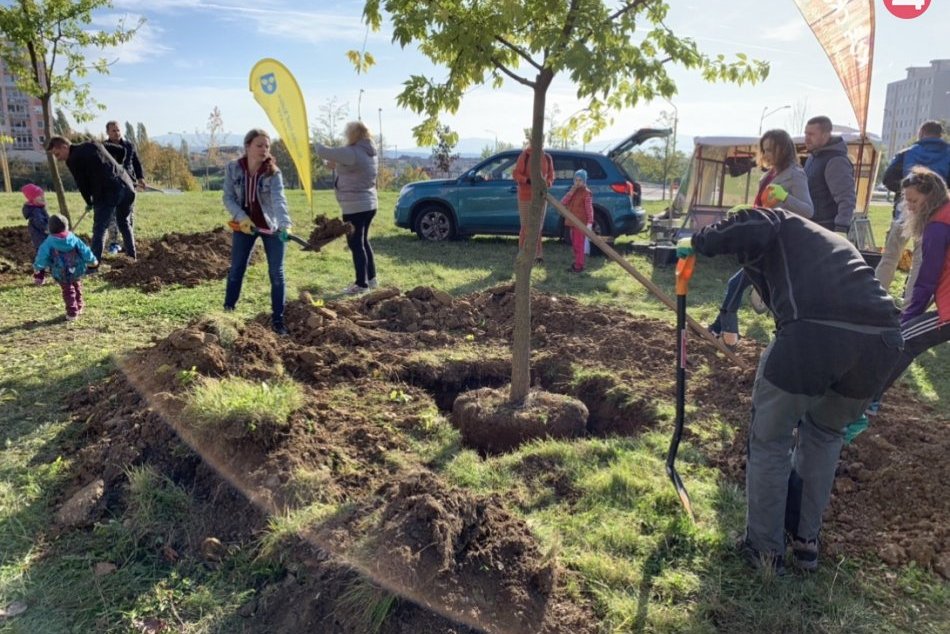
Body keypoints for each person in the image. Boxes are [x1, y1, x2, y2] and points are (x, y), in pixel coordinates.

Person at [678, 207, 902, 574]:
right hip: (881, 345)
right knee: (825, 435)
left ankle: (765, 550)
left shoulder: (775, 220)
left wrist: (697, 241)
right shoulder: (823, 242)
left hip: (815, 335)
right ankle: (805, 544)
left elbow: (753, 223)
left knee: (770, 438)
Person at [709, 129, 814, 345]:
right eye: (764, 149)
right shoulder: (768, 175)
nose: (766, 154)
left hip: (780, 243)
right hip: (762, 240)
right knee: (744, 286)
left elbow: (808, 211)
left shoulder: (795, 174)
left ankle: (728, 333)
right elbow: (763, 207)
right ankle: (719, 328)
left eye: (771, 149)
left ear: (783, 148)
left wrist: (786, 197)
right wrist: (747, 210)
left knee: (736, 284)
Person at [867, 167, 950, 415]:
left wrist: (909, 316)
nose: (909, 206)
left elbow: (927, 279)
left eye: (914, 200)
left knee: (904, 340)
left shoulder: (938, 226)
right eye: (906, 200)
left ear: (931, 197)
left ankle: (866, 402)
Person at [223, 128, 293, 335]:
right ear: (247, 147)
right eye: (259, 145)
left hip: (270, 226)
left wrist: (284, 224)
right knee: (236, 268)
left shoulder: (273, 172)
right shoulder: (233, 168)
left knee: (276, 273)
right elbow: (228, 197)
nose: (264, 150)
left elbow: (279, 200)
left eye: (267, 146)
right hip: (245, 226)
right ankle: (228, 311)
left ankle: (278, 320)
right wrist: (242, 218)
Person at [875, 121, 950, 300]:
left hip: (904, 212)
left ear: (922, 132)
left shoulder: (906, 153)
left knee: (890, 257)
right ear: (940, 135)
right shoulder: (948, 155)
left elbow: (887, 178)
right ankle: (910, 302)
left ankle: (875, 297)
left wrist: (908, 194)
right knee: (920, 261)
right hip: (934, 215)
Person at [46, 135, 137, 262]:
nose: (57, 158)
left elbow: (82, 184)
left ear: (65, 147)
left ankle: (94, 264)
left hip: (107, 191)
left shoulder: (72, 159)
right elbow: (122, 150)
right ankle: (132, 257)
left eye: (57, 154)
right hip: (126, 185)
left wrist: (89, 202)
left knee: (100, 228)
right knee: (124, 223)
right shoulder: (93, 144)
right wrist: (117, 168)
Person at [315, 121, 379, 295]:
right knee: (363, 241)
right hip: (369, 204)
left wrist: (312, 141)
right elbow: (350, 165)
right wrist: (335, 163)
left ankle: (361, 284)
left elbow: (323, 151)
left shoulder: (352, 152)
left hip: (355, 206)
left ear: (353, 134)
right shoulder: (369, 151)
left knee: (355, 244)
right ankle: (371, 280)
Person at [33, 214, 98, 321]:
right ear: (66, 227)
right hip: (77, 269)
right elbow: (84, 250)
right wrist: (92, 260)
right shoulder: (73, 238)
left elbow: (42, 257)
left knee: (68, 290)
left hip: (60, 271)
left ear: (50, 229)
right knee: (77, 286)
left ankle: (72, 312)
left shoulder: (49, 242)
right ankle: (79, 306)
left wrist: (38, 267)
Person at [803, 116, 856, 234]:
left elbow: (846, 198)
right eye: (806, 134)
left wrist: (841, 228)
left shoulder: (836, 161)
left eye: (811, 134)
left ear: (825, 135)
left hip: (827, 230)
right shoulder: (812, 158)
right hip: (811, 227)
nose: (806, 139)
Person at [513, 143, 554, 264]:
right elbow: (516, 174)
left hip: (540, 197)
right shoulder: (525, 155)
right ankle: (523, 253)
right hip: (525, 196)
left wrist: (547, 183)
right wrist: (527, 180)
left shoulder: (547, 157)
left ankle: (538, 255)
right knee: (526, 226)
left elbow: (551, 176)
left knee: (538, 226)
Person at [561, 169, 594, 273]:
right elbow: (563, 202)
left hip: (580, 223)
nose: (578, 182)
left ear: (584, 181)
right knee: (575, 244)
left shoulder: (586, 193)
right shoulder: (573, 191)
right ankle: (576, 263)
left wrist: (590, 222)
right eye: (576, 180)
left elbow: (589, 208)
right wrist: (571, 191)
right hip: (572, 222)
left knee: (579, 245)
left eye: (580, 180)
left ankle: (579, 266)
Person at [21, 182, 49, 251]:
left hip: (44, 238)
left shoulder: (39, 209)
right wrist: (50, 230)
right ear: (32, 198)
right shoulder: (35, 211)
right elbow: (40, 223)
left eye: (43, 195)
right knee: (45, 253)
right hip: (41, 239)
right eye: (39, 196)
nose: (43, 197)